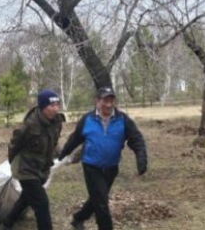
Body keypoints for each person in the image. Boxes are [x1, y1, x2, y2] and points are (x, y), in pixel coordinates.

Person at [58, 87, 148, 230]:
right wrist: (62, 154)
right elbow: (75, 139)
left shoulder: (122, 119)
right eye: (105, 100)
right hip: (91, 166)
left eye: (111, 100)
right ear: (97, 101)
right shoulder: (87, 119)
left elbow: (136, 139)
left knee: (97, 198)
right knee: (101, 203)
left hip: (111, 168)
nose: (108, 104)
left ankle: (78, 218)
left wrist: (141, 159)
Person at [0, 89, 65, 230]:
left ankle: (6, 224)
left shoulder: (57, 123)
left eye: (57, 105)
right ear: (42, 107)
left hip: (41, 169)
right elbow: (14, 146)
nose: (55, 109)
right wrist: (15, 164)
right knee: (42, 203)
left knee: (26, 199)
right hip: (25, 169)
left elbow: (53, 144)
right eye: (51, 105)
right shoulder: (29, 125)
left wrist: (62, 153)